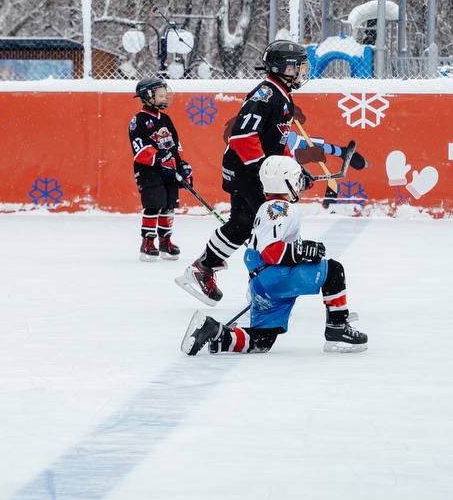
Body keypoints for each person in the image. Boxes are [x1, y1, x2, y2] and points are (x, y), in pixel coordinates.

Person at [174, 39, 363, 305]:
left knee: (242, 224)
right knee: (270, 225)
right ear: (282, 67)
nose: (302, 72)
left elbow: (276, 144)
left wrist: (293, 170)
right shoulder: (267, 94)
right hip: (247, 171)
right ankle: (261, 288)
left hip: (249, 170)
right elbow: (242, 137)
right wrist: (269, 173)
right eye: (297, 67)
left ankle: (202, 269)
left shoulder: (281, 94)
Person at [181, 155, 367, 355]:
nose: (299, 183)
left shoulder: (265, 207)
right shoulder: (282, 208)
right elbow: (271, 252)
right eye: (296, 179)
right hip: (277, 277)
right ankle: (337, 328)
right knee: (333, 270)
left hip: (261, 284)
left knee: (261, 341)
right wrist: (303, 250)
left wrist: (301, 252)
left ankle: (215, 332)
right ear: (287, 182)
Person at [128, 77, 191, 260]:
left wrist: (182, 165)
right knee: (154, 204)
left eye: (165, 94)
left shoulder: (166, 119)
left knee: (169, 204)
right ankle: (147, 242)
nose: (165, 98)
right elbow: (139, 148)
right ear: (148, 96)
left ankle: (165, 241)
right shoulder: (138, 120)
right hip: (149, 171)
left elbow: (176, 145)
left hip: (169, 169)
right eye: (160, 95)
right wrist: (160, 158)